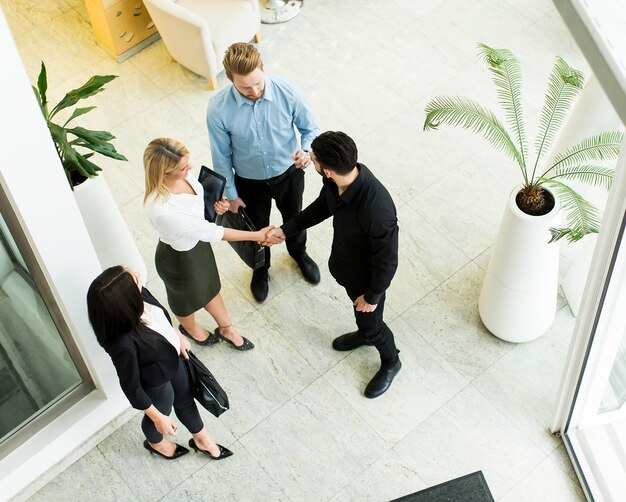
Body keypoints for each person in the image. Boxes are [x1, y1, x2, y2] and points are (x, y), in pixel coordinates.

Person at [268, 131, 401, 398]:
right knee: (363, 318)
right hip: (347, 265)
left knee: (372, 324)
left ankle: (390, 360)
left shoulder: (377, 210)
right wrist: (285, 230)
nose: (310, 160)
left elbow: (388, 261)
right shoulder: (335, 182)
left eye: (312, 158)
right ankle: (365, 332)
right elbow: (321, 207)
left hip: (368, 280)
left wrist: (371, 297)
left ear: (326, 170)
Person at [206, 42, 321, 303]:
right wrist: (232, 195)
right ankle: (261, 269)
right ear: (229, 79)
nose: (255, 91)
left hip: (289, 173)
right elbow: (221, 156)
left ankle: (298, 253)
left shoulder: (287, 90)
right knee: (257, 228)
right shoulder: (217, 109)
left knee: (295, 217)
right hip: (249, 182)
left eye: (258, 82)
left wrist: (306, 151)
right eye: (245, 87)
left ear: (263, 68)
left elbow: (311, 129)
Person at [87, 266, 232, 460]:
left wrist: (177, 335)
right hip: (155, 381)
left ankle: (202, 439)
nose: (138, 276)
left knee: (185, 398)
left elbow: (162, 318)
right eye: (135, 279)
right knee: (161, 413)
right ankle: (156, 443)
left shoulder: (140, 294)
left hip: (174, 358)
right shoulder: (122, 343)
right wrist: (158, 418)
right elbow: (132, 387)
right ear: (126, 301)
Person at [144, 137, 271, 351]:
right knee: (185, 300)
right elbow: (211, 232)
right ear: (164, 173)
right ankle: (191, 328)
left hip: (198, 247)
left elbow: (197, 211)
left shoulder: (182, 175)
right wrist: (256, 235)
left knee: (211, 287)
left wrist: (215, 206)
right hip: (179, 259)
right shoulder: (161, 209)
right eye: (184, 168)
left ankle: (227, 327)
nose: (190, 168)